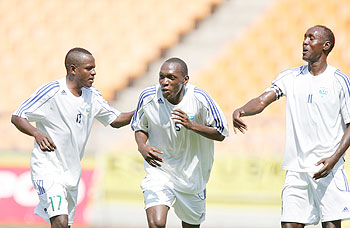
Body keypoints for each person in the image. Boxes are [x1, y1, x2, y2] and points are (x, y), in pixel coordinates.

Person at [232, 25, 350, 228]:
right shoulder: (290, 77)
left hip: (328, 167)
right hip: (296, 169)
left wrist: (333, 159)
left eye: (311, 38)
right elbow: (261, 101)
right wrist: (242, 110)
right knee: (289, 225)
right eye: (304, 37)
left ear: (326, 45)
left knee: (331, 226)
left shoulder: (339, 81)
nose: (304, 42)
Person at [11, 47, 134, 228]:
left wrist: (142, 109)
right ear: (73, 69)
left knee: (65, 224)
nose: (94, 72)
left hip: (72, 173)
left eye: (94, 68)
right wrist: (37, 133)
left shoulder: (93, 96)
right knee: (59, 221)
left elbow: (116, 120)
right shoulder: (52, 91)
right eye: (89, 68)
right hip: (48, 169)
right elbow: (17, 116)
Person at [131, 57, 229, 228]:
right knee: (157, 223)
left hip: (192, 176)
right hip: (160, 171)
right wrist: (142, 146)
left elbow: (221, 132)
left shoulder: (200, 99)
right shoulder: (148, 97)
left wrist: (192, 126)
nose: (164, 82)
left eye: (171, 78)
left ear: (185, 80)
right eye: (161, 77)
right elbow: (140, 127)